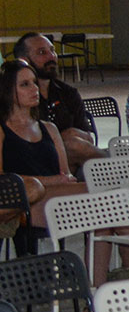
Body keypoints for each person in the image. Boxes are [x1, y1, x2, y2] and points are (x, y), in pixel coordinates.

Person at [0, 60, 84, 228]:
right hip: (25, 201)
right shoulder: (2, 130)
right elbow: (3, 179)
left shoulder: (49, 128)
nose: (35, 89)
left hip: (58, 195)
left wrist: (59, 181)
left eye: (34, 83)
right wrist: (50, 181)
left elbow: (66, 175)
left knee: (113, 202)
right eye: (25, 84)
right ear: (8, 90)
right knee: (111, 197)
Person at [12, 34, 100, 170]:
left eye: (52, 50)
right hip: (32, 164)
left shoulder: (68, 93)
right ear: (24, 61)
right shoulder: (14, 97)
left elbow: (87, 138)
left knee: (76, 145)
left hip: (73, 165)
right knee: (74, 144)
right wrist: (62, 137)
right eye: (42, 52)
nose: (51, 56)